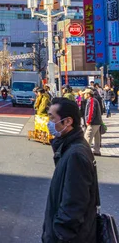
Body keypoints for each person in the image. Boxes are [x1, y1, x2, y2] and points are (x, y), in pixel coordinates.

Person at [42, 98, 98, 243]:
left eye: (52, 117)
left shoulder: (75, 154)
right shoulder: (72, 147)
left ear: (68, 121)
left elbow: (74, 204)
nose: (48, 122)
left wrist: (60, 235)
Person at [83, 89, 103, 156]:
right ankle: (96, 151)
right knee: (97, 137)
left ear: (88, 94)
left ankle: (85, 152)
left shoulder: (91, 100)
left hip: (93, 122)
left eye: (85, 94)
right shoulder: (94, 100)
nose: (84, 95)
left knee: (87, 137)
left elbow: (91, 112)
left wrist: (89, 121)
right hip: (97, 122)